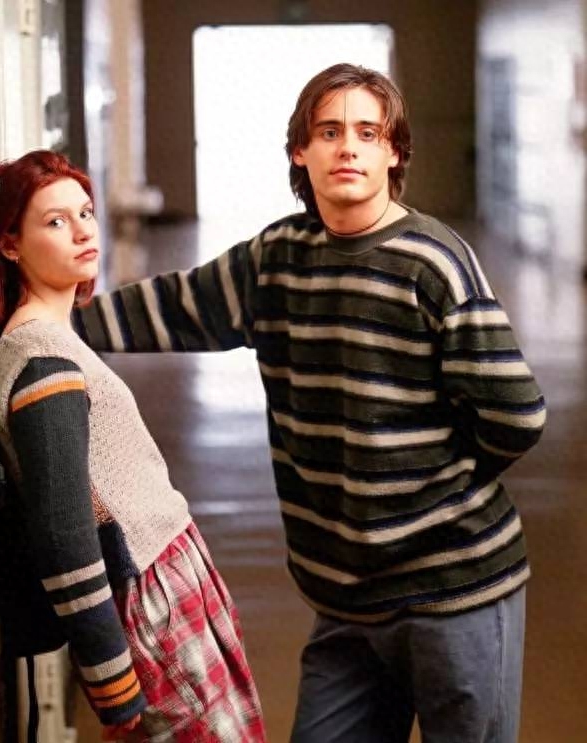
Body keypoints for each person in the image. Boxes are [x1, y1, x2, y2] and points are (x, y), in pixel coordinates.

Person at [74, 63, 546, 743]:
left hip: (455, 591)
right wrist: (51, 323)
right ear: (301, 150)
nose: (347, 147)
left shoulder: (434, 263)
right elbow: (173, 307)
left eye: (367, 133)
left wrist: (430, 489)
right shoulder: (277, 259)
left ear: (394, 152)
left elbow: (515, 415)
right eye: (329, 132)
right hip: (345, 598)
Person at [0, 149, 267, 743]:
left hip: (169, 577)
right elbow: (64, 534)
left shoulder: (57, 336)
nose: (82, 230)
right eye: (55, 221)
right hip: (151, 599)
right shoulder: (42, 361)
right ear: (10, 245)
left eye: (85, 213)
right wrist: (109, 676)